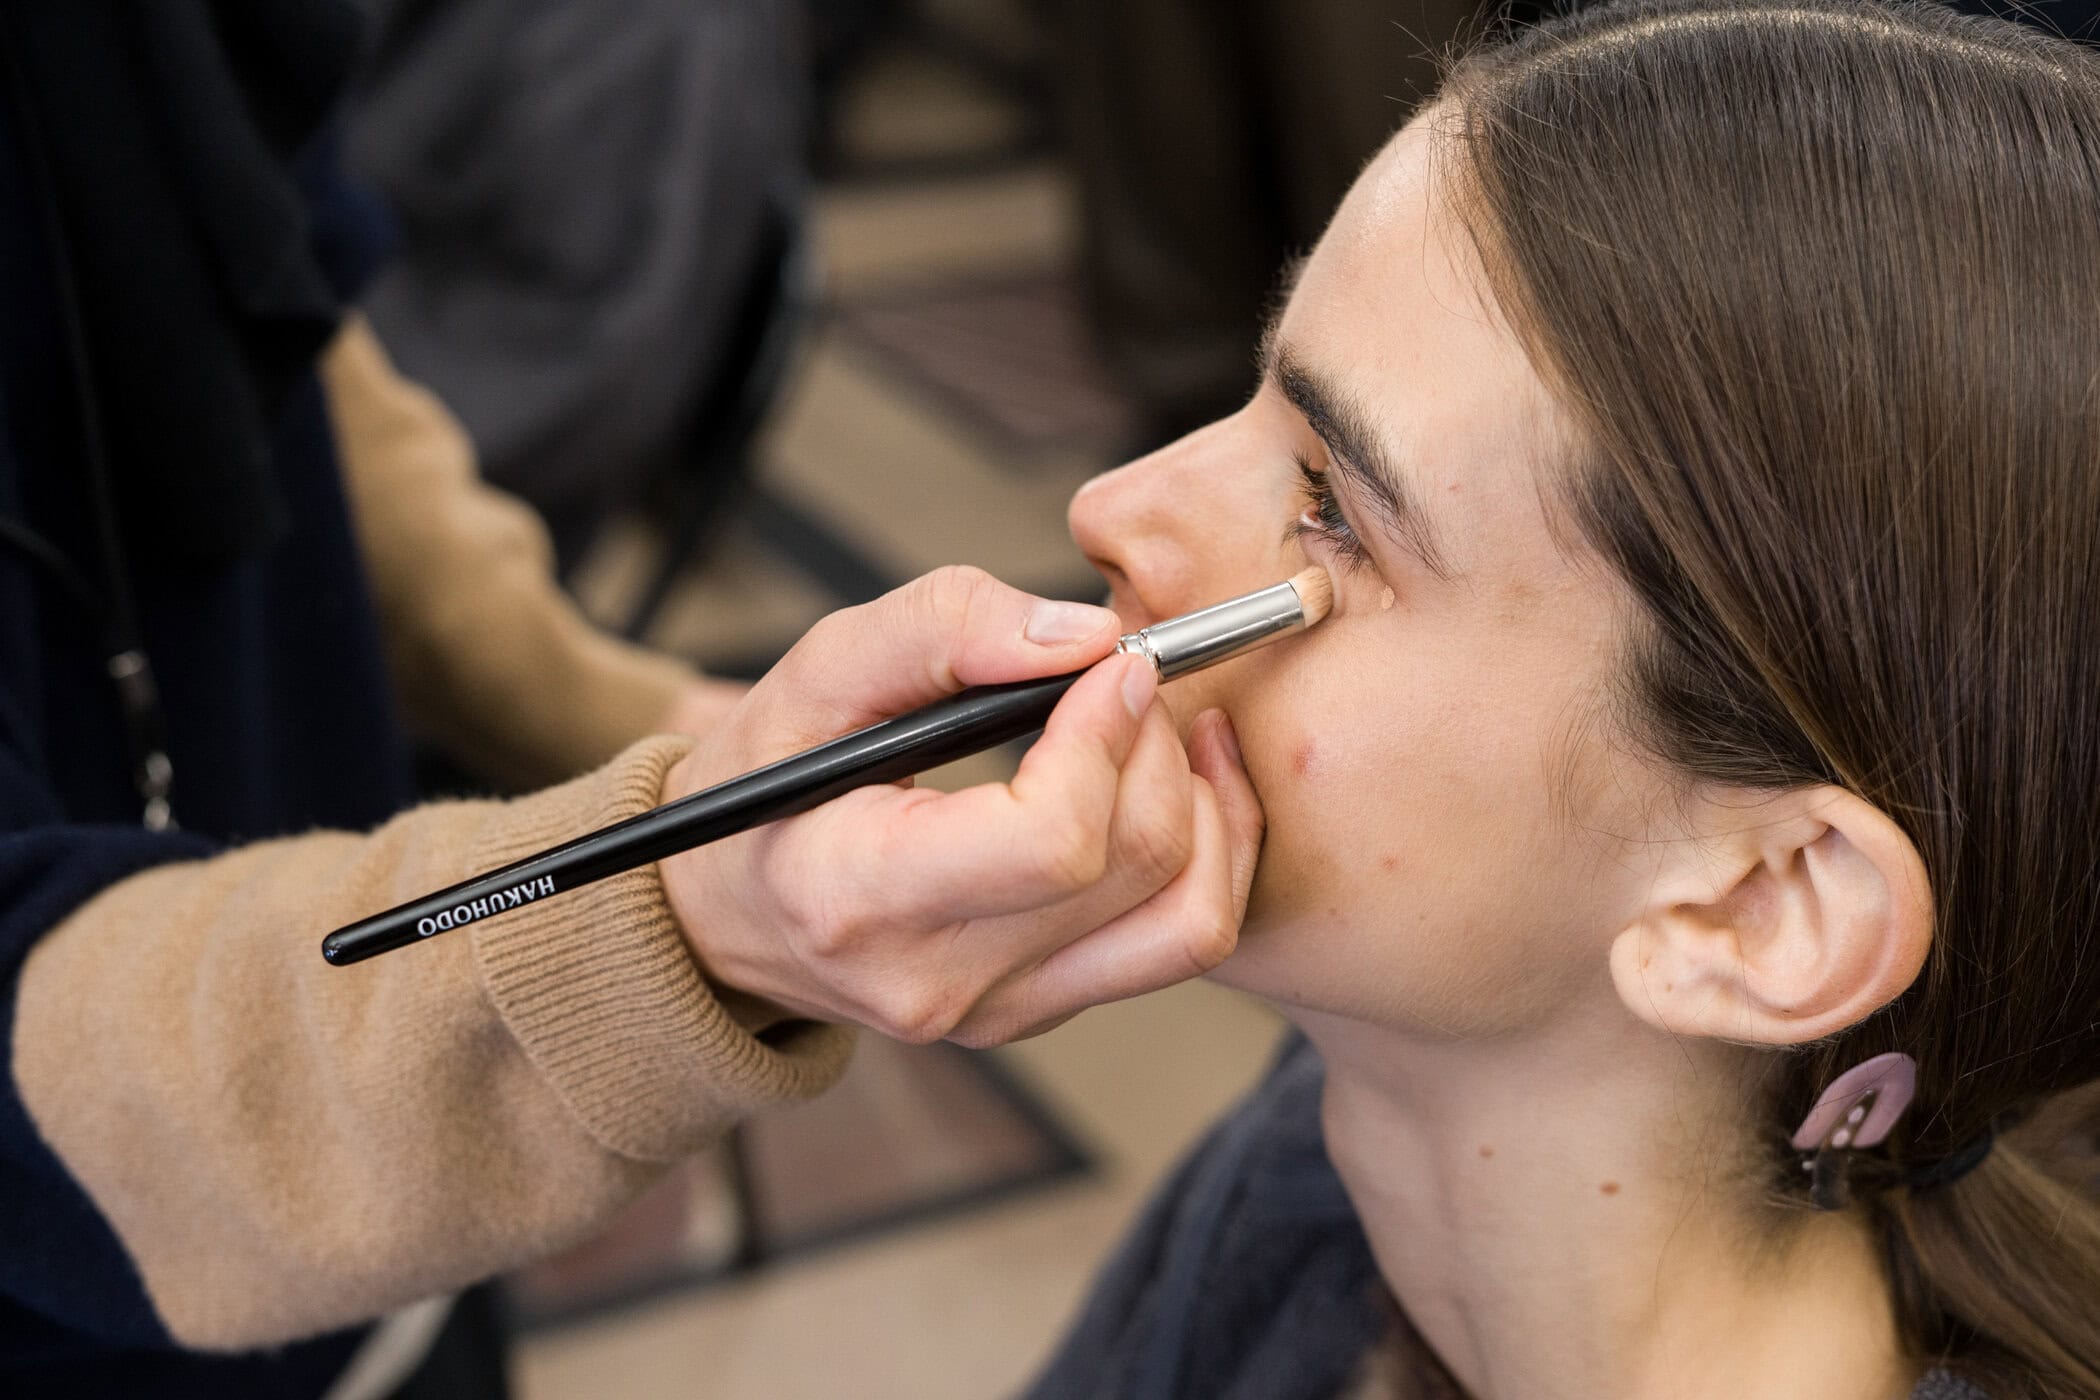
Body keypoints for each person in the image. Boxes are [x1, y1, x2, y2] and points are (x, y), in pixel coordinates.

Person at [0, 5, 1259, 1395]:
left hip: (391, 1252)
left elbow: (275, 331)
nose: (1110, 504)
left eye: (1331, 495)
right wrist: (670, 922)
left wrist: (623, 709)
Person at [1027, 0, 2100, 1395]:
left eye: (1330, 507)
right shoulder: (1302, 1182)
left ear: (1765, 903)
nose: (1111, 507)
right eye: (1257, 399)